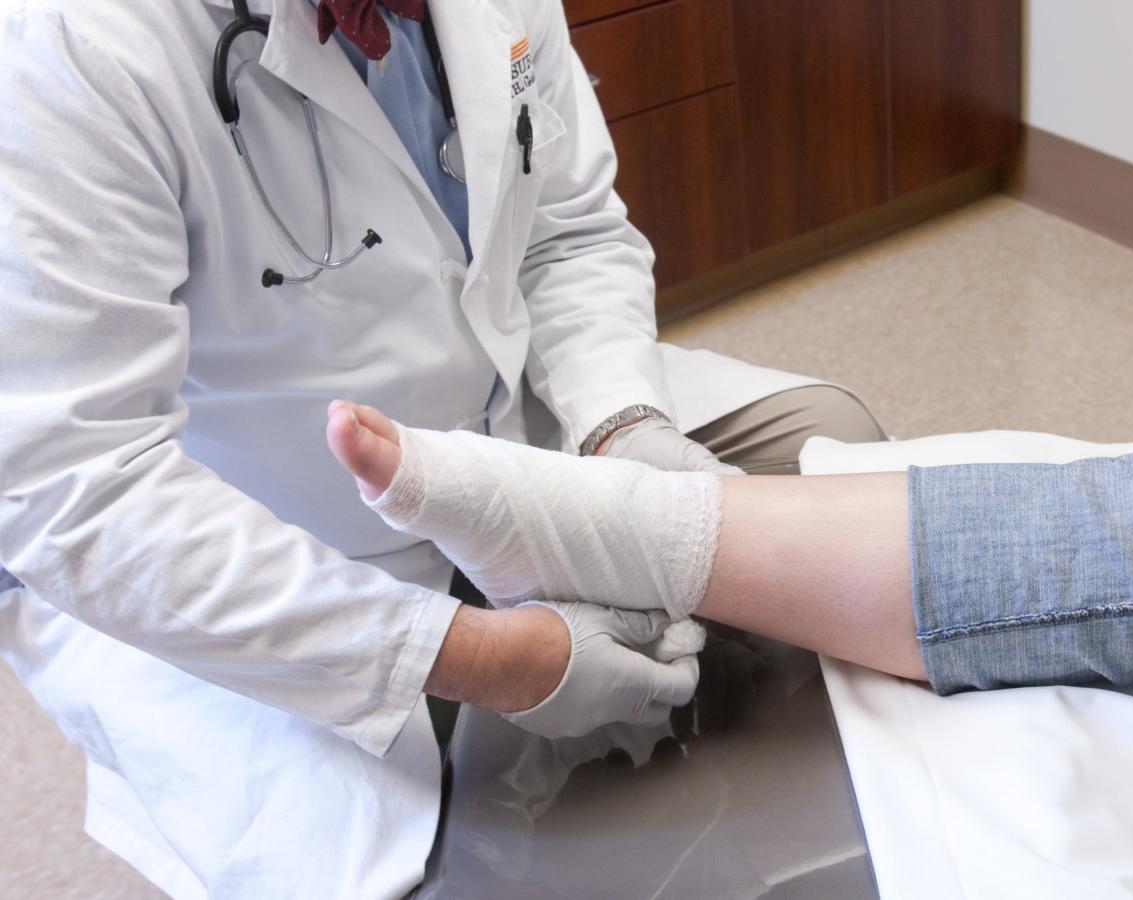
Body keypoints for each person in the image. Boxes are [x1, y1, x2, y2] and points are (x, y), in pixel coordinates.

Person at [0, 0, 885, 896]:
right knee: (448, 867)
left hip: (515, 416)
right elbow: (79, 490)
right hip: (285, 535)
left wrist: (624, 425)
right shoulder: (69, 46)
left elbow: (568, 231)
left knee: (832, 460)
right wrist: (486, 660)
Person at [327, 401, 1133, 696]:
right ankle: (641, 533)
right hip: (305, 535)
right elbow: (179, 556)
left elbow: (575, 233)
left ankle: (648, 536)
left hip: (531, 399)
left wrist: (619, 422)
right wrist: (459, 654)